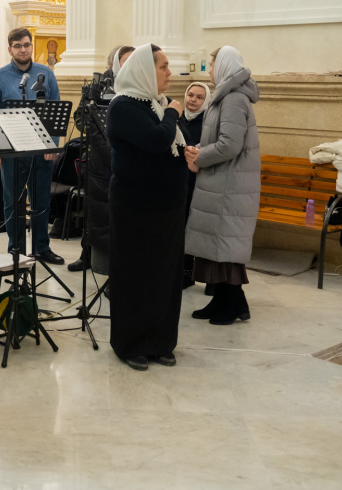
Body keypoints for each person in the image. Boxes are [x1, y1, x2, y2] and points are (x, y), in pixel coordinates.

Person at [106, 44, 186, 371]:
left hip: (166, 205)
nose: (170, 72)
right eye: (164, 66)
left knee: (164, 275)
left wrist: (189, 152)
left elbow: (172, 143)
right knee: (135, 275)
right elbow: (156, 140)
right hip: (135, 207)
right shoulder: (124, 106)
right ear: (144, 71)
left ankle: (160, 342)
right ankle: (130, 344)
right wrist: (173, 114)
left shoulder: (157, 103)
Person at [184, 46, 261, 325]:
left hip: (230, 184)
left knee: (225, 248)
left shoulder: (233, 99)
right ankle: (226, 302)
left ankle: (231, 305)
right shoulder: (226, 96)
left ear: (225, 65)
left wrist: (200, 156)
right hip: (221, 181)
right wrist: (199, 152)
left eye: (213, 63)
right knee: (218, 248)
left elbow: (230, 144)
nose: (210, 68)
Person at [0, 27, 64, 264]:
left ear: (32, 46)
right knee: (13, 202)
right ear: (10, 49)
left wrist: (53, 144)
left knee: (41, 201)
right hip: (11, 151)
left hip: (41, 150)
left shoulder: (46, 74)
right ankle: (15, 249)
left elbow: (55, 109)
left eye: (26, 45)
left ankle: (42, 247)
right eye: (17, 46)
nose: (23, 49)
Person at [69, 45, 134, 273]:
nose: (130, 64)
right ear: (113, 63)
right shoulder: (98, 85)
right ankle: (86, 254)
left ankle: (114, 260)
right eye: (126, 60)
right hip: (97, 158)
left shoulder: (137, 85)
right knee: (95, 209)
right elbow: (80, 117)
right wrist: (95, 132)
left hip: (124, 156)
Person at [177, 80, 212, 289]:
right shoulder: (178, 118)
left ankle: (208, 277)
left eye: (199, 97)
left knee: (198, 230)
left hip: (200, 182)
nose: (193, 100)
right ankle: (185, 273)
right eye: (191, 95)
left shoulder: (208, 121)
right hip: (180, 181)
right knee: (182, 228)